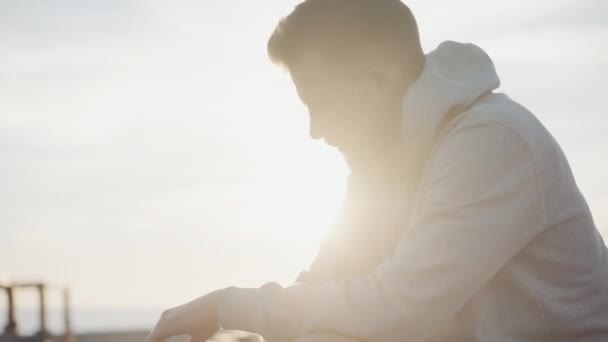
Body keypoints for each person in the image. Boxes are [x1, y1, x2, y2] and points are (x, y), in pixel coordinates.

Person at [145, 0, 608, 341]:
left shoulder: (490, 141)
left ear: (378, 83)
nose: (314, 130)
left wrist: (229, 306)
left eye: (320, 105)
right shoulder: (384, 169)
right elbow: (324, 294)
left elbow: (398, 311)